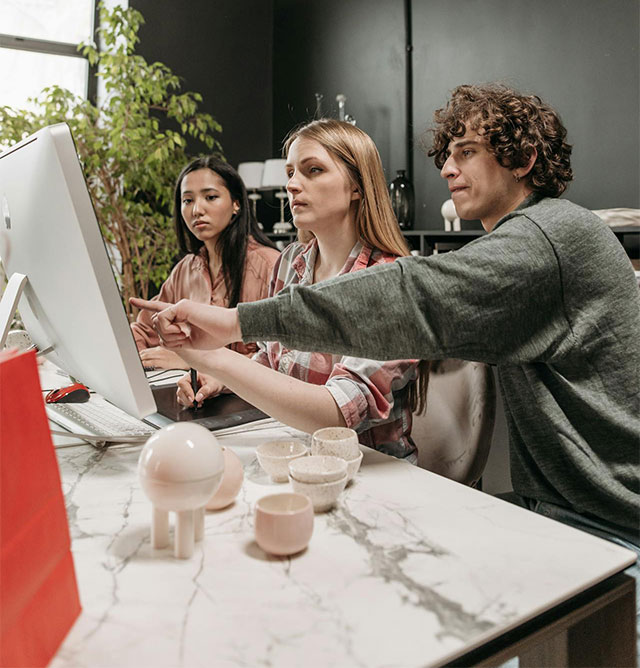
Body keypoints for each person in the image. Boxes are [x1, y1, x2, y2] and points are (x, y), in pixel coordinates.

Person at [132, 84, 639, 636]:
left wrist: (232, 325)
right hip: (565, 515)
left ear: (523, 158)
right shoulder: (532, 239)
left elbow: (405, 297)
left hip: (608, 524)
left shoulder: (546, 238)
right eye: (446, 155)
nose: (447, 169)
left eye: (465, 152)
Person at [135, 119, 430, 460]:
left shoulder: (391, 282)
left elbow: (337, 417)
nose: (292, 185)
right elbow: (271, 358)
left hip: (369, 472)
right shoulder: (293, 261)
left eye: (313, 170)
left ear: (357, 187)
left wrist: (214, 359)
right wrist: (218, 378)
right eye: (290, 172)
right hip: (295, 454)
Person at [130, 156, 279, 374]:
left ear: (236, 203)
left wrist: (194, 361)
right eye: (187, 200)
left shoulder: (270, 266)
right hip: (187, 396)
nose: (197, 210)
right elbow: (144, 330)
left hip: (246, 403)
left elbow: (280, 359)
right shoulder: (186, 269)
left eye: (210, 197)